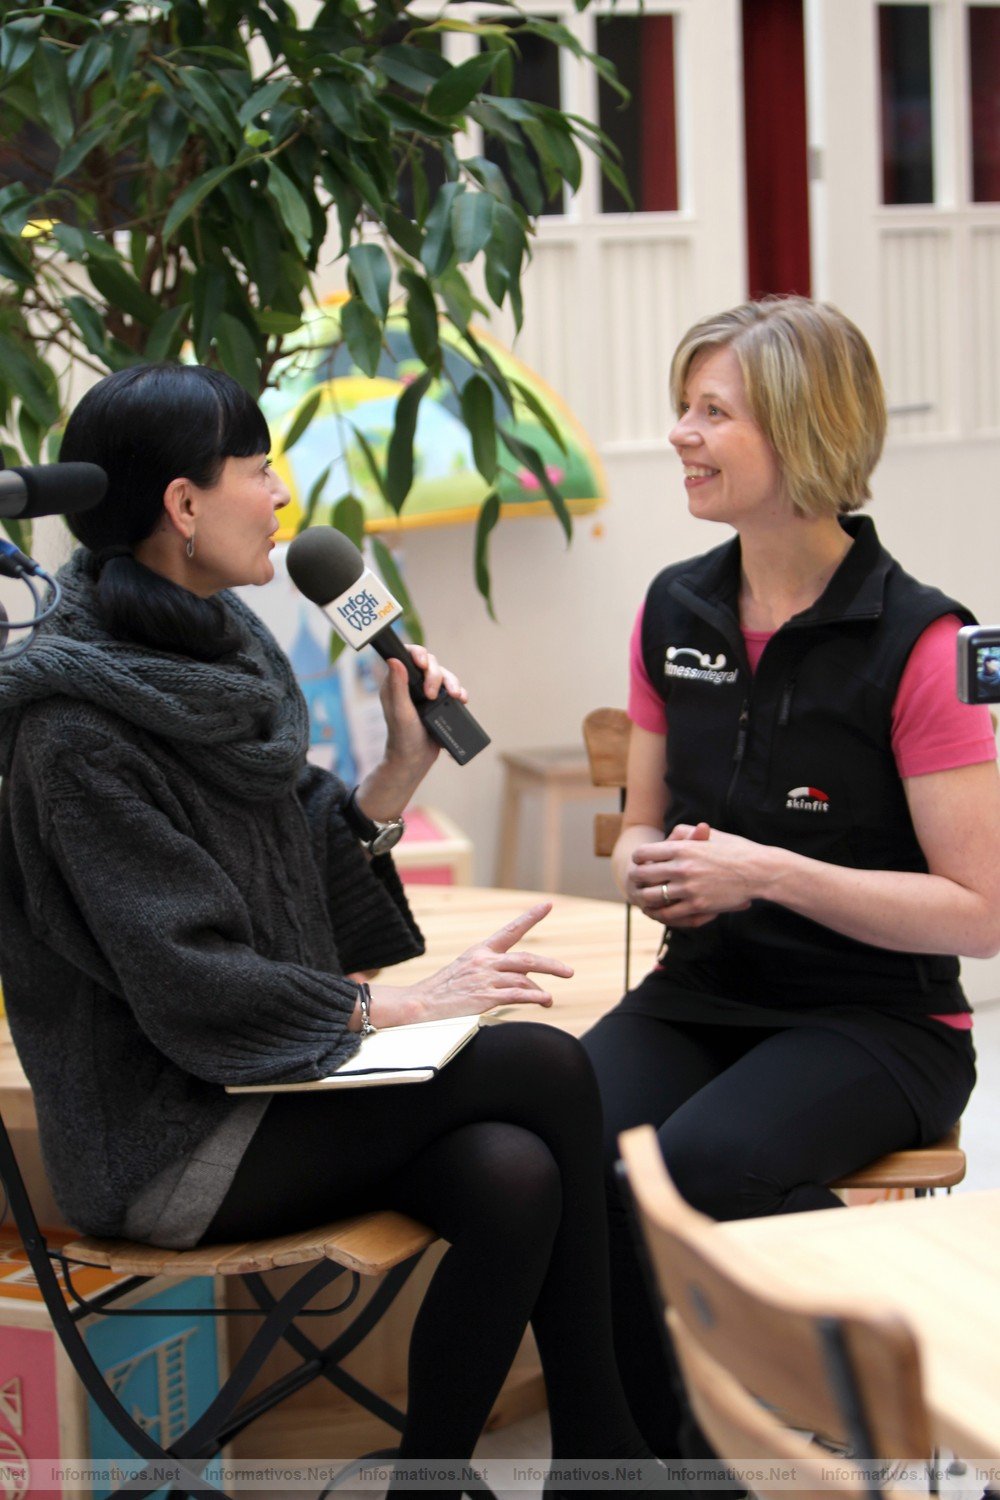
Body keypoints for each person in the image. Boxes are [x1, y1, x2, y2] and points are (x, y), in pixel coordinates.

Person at [0, 364, 658, 1494]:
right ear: (184, 505)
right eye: (259, 469)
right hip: (166, 1139)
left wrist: (398, 770)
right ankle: (611, 1458)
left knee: (510, 1173)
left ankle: (435, 1479)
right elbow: (188, 971)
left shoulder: (220, 649)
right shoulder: (74, 732)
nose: (282, 498)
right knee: (543, 1067)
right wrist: (391, 1005)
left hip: (268, 1089)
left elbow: (283, 861)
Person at [580, 296, 1000, 1457]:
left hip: (880, 1018)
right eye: (683, 406)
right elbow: (637, 835)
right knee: (566, 1139)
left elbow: (983, 912)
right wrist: (650, 867)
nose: (678, 433)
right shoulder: (676, 605)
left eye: (712, 412)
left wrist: (766, 873)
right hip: (704, 991)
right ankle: (627, 1469)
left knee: (708, 1165)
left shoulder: (930, 644)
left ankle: (883, 1407)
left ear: (804, 435)